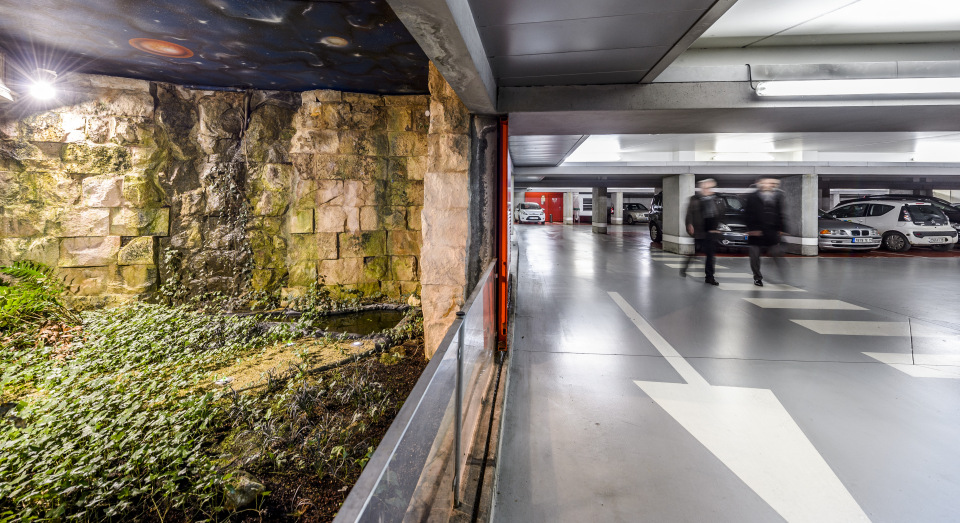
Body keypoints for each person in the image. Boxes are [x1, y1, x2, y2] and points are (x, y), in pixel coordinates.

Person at [745, 177, 788, 287]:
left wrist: (782, 229)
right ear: (759, 184)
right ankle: (757, 278)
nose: (768, 185)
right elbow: (747, 214)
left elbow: (780, 214)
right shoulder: (752, 197)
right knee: (754, 257)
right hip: (756, 232)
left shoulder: (777, 196)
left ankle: (785, 278)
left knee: (777, 254)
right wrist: (751, 229)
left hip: (771, 232)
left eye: (770, 183)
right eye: (765, 183)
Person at [681, 178, 722, 285]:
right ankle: (685, 267)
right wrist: (689, 224)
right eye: (705, 187)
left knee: (710, 255)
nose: (707, 189)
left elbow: (720, 213)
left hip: (711, 232)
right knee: (696, 252)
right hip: (699, 230)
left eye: (710, 187)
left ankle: (709, 277)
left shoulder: (717, 199)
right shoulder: (694, 199)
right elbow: (689, 214)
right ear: (701, 188)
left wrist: (718, 227)